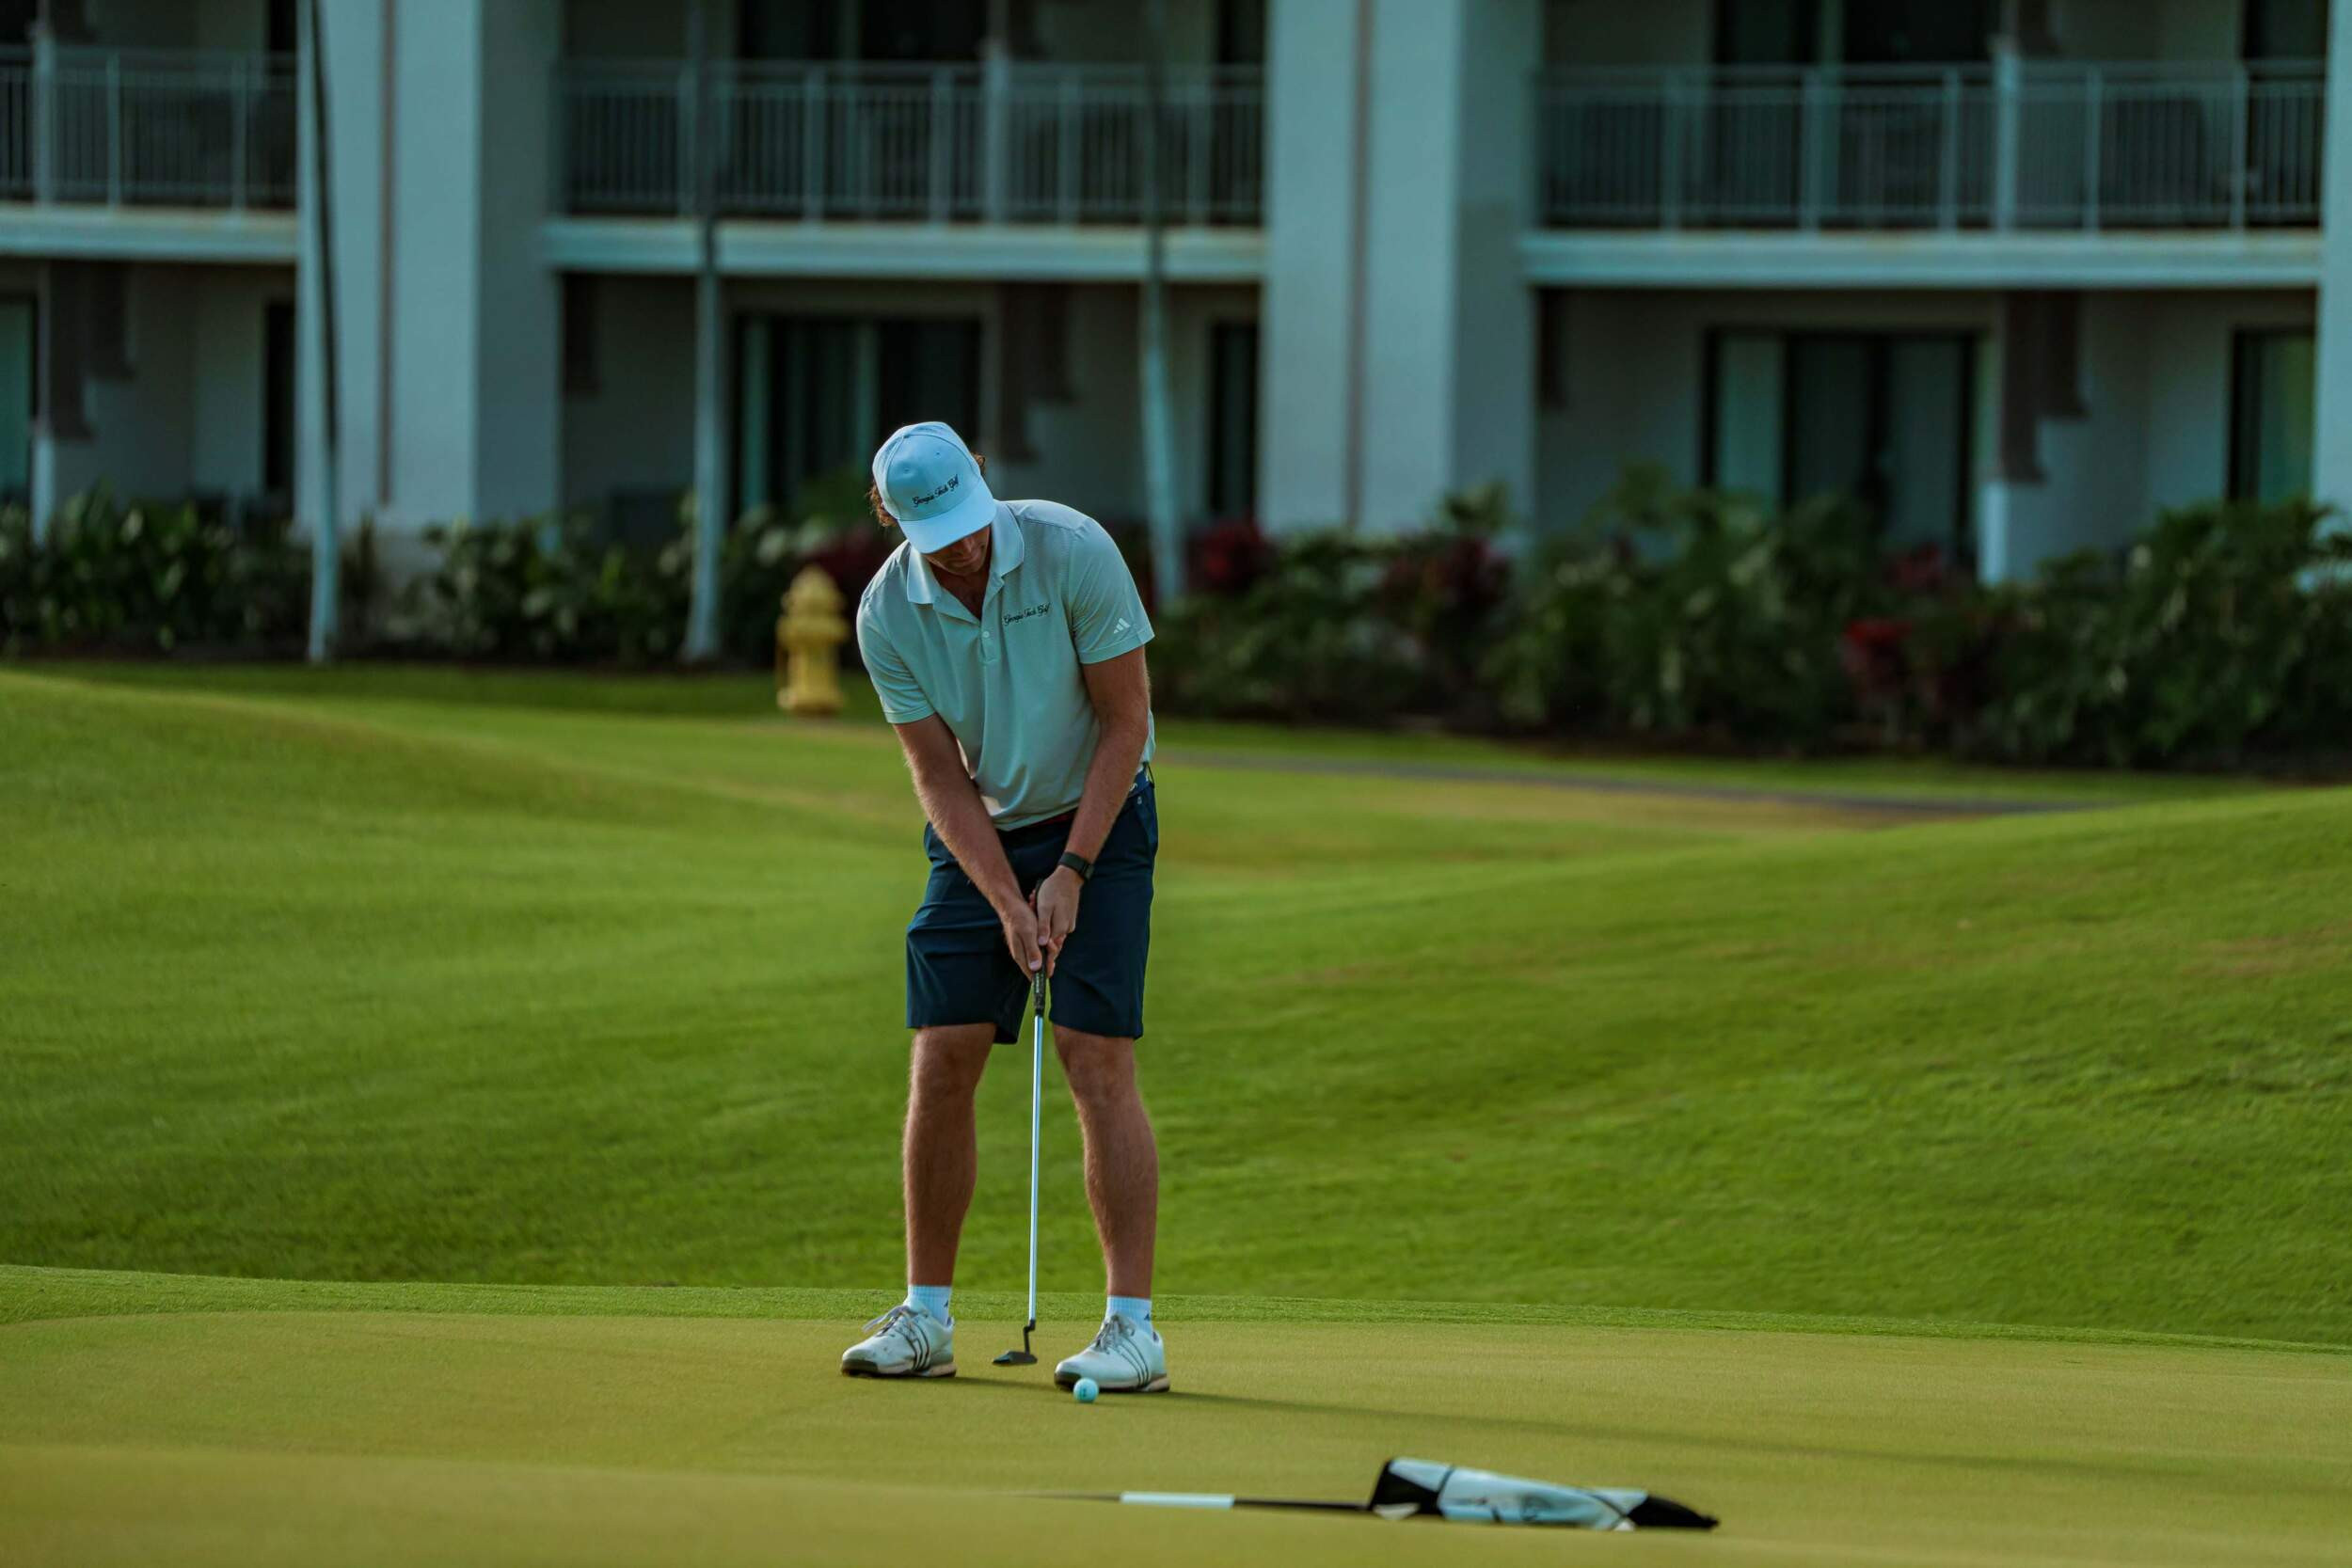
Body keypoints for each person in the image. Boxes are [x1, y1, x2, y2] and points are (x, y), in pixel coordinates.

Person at [839, 420, 1168, 1394]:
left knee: (1093, 1057)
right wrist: (1002, 895)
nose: (967, 548)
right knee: (943, 1052)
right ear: (894, 520)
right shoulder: (885, 612)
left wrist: (1070, 871)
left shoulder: (1073, 548)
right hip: (980, 827)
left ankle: (1132, 1329)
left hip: (1100, 812)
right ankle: (925, 1317)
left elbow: (1126, 721)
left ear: (984, 482)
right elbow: (937, 773)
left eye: (972, 523)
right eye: (940, 537)